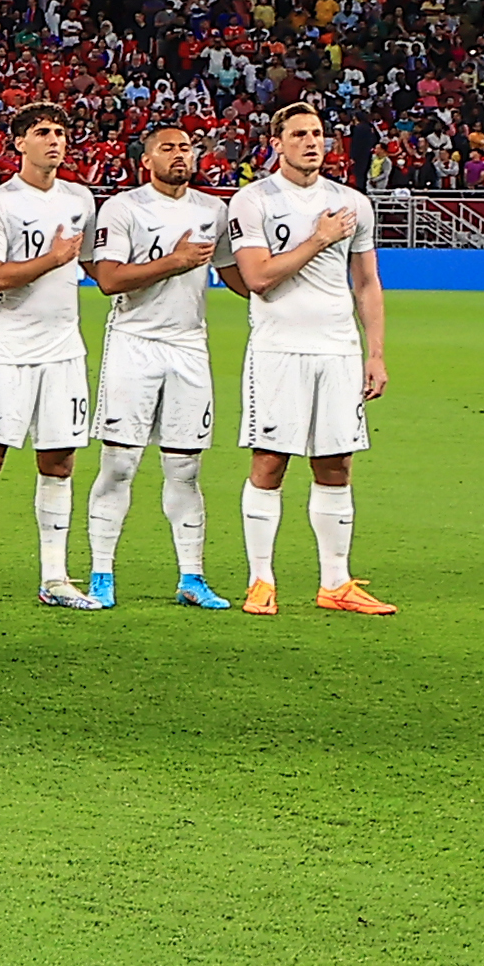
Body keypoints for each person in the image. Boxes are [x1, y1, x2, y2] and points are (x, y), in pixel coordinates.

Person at [223, 96, 395, 614]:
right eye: (298, 135)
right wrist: (319, 239)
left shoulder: (352, 203)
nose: (311, 142)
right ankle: (260, 580)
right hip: (279, 350)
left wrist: (376, 353)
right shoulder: (253, 200)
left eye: (317, 133)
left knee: (336, 465)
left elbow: (367, 283)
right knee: (271, 463)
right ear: (276, 144)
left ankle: (336, 584)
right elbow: (257, 278)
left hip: (338, 351)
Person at [84, 122, 231, 610]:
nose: (179, 155)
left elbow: (237, 273)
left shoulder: (214, 210)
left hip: (190, 347)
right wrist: (176, 260)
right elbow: (108, 279)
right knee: (120, 462)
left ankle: (192, 576)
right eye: (168, 148)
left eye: (187, 147)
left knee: (185, 467)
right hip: (135, 343)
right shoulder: (124, 208)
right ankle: (101, 573)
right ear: (146, 159)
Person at [0, 105, 100, 609]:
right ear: (19, 142)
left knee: (60, 462)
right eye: (42, 132)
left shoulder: (79, 198)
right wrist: (53, 258)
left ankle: (55, 578)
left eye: (61, 131)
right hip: (11, 348)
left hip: (64, 349)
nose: (54, 140)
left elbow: (91, 264)